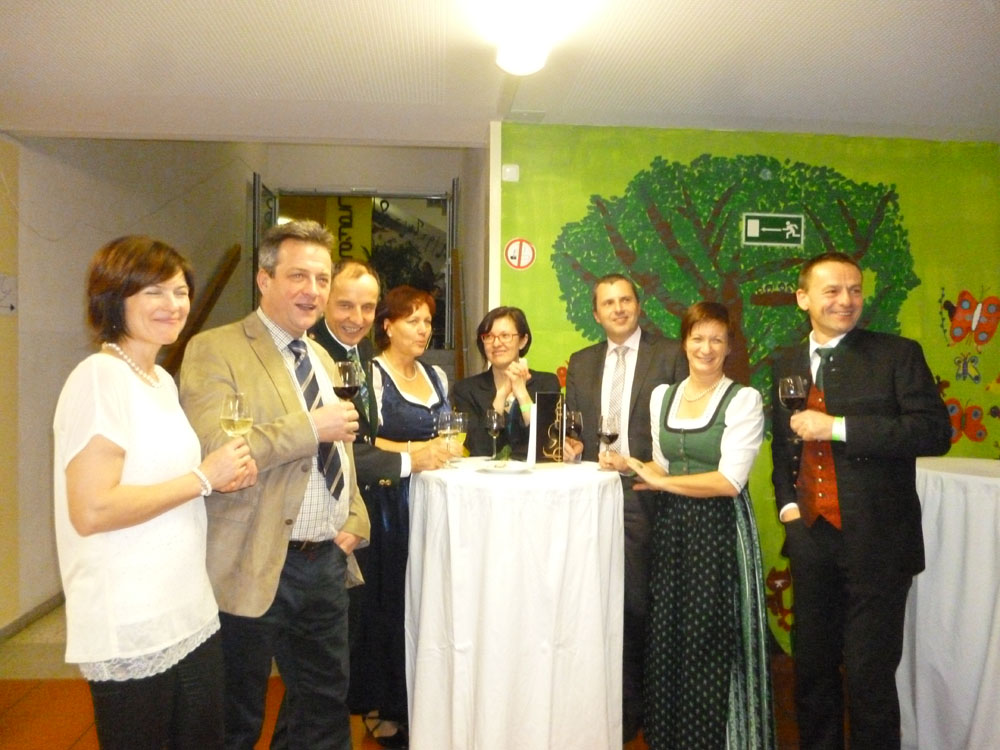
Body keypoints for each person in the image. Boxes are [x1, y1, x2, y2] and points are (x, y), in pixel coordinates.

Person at [53, 235, 255, 750]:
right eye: (154, 292)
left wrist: (219, 477)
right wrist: (203, 478)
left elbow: (164, 480)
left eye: (181, 291)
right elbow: (92, 508)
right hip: (131, 618)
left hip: (187, 609)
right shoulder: (99, 378)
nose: (174, 305)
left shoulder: (161, 380)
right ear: (114, 299)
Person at [179, 220, 371, 750]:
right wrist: (309, 427)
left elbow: (341, 447)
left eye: (322, 278)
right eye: (298, 276)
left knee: (323, 711)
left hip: (325, 561)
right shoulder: (214, 348)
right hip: (251, 556)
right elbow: (216, 446)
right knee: (236, 717)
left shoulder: (321, 357)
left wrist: (354, 517)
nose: (313, 290)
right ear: (264, 279)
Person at [771, 252, 951, 750]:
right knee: (813, 673)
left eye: (854, 290)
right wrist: (789, 511)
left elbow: (934, 432)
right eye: (832, 291)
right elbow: (783, 445)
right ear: (803, 298)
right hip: (811, 539)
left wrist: (838, 428)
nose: (846, 300)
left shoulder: (897, 355)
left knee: (870, 677)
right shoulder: (787, 361)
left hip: (879, 544)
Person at [603, 301, 774, 749]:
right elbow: (662, 465)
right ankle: (670, 737)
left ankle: (712, 740)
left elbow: (729, 482)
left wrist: (662, 482)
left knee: (708, 638)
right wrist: (629, 464)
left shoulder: (743, 400)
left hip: (718, 530)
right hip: (672, 528)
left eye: (717, 339)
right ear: (685, 343)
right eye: (698, 338)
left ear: (729, 347)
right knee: (668, 634)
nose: (706, 348)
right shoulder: (664, 396)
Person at [307, 261, 450, 745]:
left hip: (399, 504)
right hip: (350, 515)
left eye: (366, 307)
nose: (356, 317)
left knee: (397, 611)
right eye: (345, 305)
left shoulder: (361, 355)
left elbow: (360, 440)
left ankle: (403, 705)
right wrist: (412, 457)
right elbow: (351, 448)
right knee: (345, 640)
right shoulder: (329, 358)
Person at [562, 273, 688, 743]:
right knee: (590, 602)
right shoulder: (582, 361)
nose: (618, 309)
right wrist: (571, 443)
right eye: (608, 303)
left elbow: (684, 422)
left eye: (626, 300)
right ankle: (597, 702)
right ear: (596, 314)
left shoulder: (670, 354)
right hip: (589, 493)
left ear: (639, 305)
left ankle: (636, 707)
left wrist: (646, 466)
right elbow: (573, 425)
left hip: (642, 492)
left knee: (636, 604)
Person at [348, 285, 458, 748]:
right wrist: (418, 452)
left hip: (433, 503)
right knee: (390, 603)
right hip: (390, 503)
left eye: (428, 321)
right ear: (388, 326)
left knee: (428, 603)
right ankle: (386, 708)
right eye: (413, 320)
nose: (423, 329)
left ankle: (422, 703)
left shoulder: (437, 376)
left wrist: (443, 451)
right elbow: (360, 443)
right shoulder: (370, 375)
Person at [451, 306, 560, 459]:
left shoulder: (547, 383)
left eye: (505, 335)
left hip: (534, 474)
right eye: (489, 336)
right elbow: (478, 449)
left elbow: (548, 444)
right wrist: (501, 395)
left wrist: (522, 394)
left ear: (523, 341)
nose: (496, 343)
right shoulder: (466, 390)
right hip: (485, 474)